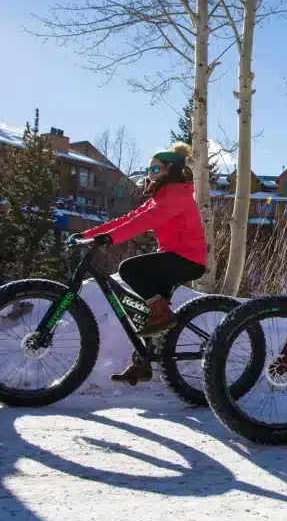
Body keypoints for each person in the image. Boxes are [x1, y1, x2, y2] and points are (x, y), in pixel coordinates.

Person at [75, 142, 207, 384]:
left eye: (155, 169)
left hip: (187, 259)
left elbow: (144, 222)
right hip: (171, 257)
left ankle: (162, 313)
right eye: (149, 169)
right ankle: (144, 362)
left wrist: (110, 238)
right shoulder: (161, 196)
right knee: (147, 314)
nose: (150, 174)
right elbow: (130, 218)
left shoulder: (177, 195)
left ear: (170, 170)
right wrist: (88, 235)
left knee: (130, 268)